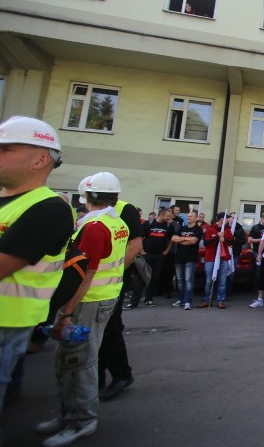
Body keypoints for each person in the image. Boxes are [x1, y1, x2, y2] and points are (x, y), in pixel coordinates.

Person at [36, 171, 129, 447]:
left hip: (87, 301)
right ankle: (69, 414)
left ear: (87, 197)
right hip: (101, 299)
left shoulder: (95, 226)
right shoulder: (116, 222)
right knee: (74, 360)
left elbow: (85, 274)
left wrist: (65, 313)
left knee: (79, 362)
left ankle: (82, 420)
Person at [0, 117, 73, 446]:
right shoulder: (7, 202)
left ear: (40, 159)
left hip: (4, 324)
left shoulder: (49, 208)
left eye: (5, 149)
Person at [97, 190, 143, 402]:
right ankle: (95, 377)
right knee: (92, 331)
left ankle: (121, 375)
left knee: (109, 327)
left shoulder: (125, 209)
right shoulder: (91, 213)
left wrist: (115, 273)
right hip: (90, 280)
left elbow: (135, 246)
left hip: (110, 280)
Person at [126, 207, 171, 308]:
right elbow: (140, 237)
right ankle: (134, 302)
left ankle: (149, 299)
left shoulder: (168, 226)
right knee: (140, 278)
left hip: (159, 256)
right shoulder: (148, 224)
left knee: (154, 278)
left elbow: (171, 240)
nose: (169, 218)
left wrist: (166, 252)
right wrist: (142, 251)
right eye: (168, 216)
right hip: (147, 255)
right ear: (162, 215)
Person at [197, 212, 234, 309]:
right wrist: (217, 236)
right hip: (210, 258)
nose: (228, 220)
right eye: (227, 218)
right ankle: (207, 299)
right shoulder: (210, 229)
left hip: (223, 258)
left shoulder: (227, 229)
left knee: (222, 281)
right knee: (209, 280)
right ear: (222, 219)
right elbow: (206, 243)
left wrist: (224, 238)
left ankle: (220, 300)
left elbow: (231, 242)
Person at [170, 211, 202, 310]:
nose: (188, 217)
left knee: (188, 280)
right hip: (179, 258)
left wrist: (181, 239)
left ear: (196, 218)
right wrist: (186, 239)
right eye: (187, 216)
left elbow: (193, 241)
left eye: (190, 216)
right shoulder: (182, 228)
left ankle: (188, 301)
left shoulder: (198, 229)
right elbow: (173, 239)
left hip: (190, 258)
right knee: (179, 280)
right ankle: (181, 299)